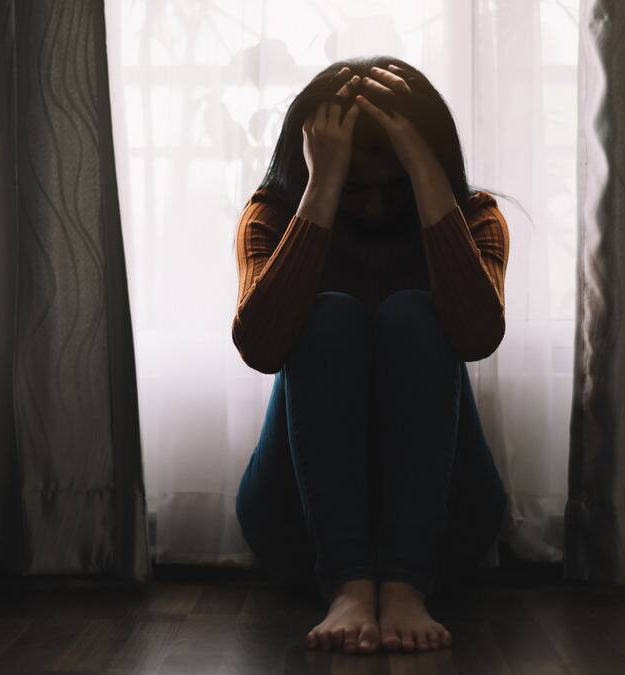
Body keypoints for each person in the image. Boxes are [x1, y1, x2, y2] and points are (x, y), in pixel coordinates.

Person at [231, 56, 511, 655]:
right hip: (297, 527)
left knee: (414, 312)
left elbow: (477, 337)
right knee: (328, 314)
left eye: (397, 185)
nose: (378, 210)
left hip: (446, 527)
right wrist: (322, 191)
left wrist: (426, 173)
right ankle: (348, 584)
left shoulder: (476, 217)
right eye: (358, 188)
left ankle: (408, 582)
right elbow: (261, 347)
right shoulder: (274, 216)